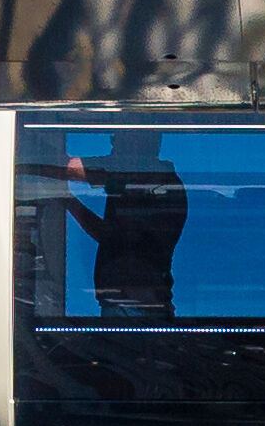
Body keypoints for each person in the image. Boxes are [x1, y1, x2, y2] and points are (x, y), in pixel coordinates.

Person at [66, 133, 188, 323]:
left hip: (136, 308)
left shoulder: (147, 178)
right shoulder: (151, 180)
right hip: (135, 305)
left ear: (139, 142)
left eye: (120, 134)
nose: (112, 139)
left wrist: (66, 199)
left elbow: (70, 168)